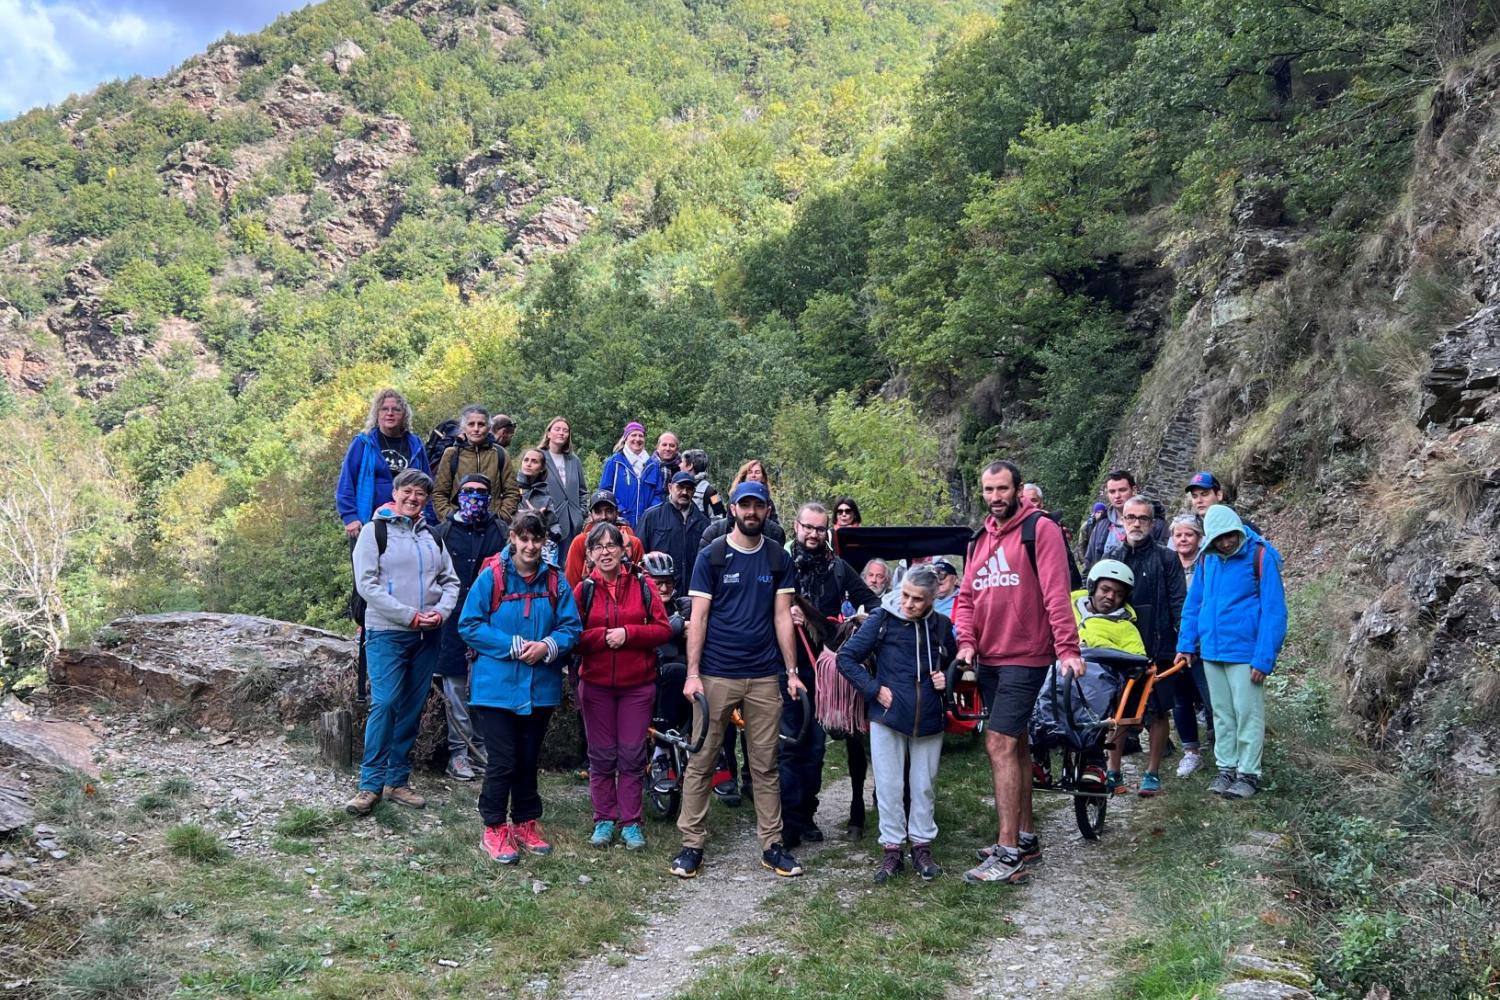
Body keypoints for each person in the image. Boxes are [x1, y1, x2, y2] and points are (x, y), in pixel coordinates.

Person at [955, 460, 1083, 886]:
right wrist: (966, 642)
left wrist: (1067, 648)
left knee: (999, 743)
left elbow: (1056, 592)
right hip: (988, 657)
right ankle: (1025, 837)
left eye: (1002, 489)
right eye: (988, 489)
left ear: (1018, 488)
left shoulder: (1039, 529)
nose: (995, 497)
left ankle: (1008, 852)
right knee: (1018, 744)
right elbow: (966, 598)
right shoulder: (978, 540)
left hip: (1025, 655)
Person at [671, 480, 806, 880]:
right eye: (744, 505)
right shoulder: (712, 556)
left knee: (765, 765)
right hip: (715, 674)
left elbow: (783, 616)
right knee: (702, 760)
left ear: (767, 511)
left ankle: (772, 845)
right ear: (732, 508)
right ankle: (691, 845)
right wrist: (692, 675)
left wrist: (793, 672)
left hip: (764, 676)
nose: (751, 512)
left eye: (758, 506)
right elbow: (699, 619)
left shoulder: (779, 558)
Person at [459, 512, 583, 863]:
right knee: (503, 760)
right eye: (524, 539)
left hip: (539, 688)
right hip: (495, 687)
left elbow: (571, 628)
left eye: (537, 539)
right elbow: (469, 625)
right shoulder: (492, 577)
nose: (530, 546)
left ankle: (526, 822)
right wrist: (511, 645)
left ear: (544, 542)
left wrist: (548, 646)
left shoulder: (555, 581)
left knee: (528, 759)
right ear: (512, 537)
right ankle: (494, 827)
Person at [346, 469, 460, 816]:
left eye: (420, 494)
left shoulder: (432, 537)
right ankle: (369, 785)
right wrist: (407, 615)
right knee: (386, 703)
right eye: (408, 492)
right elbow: (367, 584)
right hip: (386, 632)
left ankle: (397, 781)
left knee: (411, 707)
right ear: (396, 493)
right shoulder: (374, 532)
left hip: (428, 634)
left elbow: (450, 581)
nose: (414, 498)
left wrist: (440, 612)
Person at [835, 565, 955, 883]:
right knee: (888, 787)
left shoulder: (941, 625)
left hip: (928, 715)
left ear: (931, 599)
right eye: (905, 595)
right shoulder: (883, 619)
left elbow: (953, 661)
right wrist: (874, 689)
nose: (909, 604)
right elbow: (846, 658)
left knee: (923, 786)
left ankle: (921, 847)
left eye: (918, 599)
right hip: (887, 716)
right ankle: (891, 851)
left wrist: (947, 679)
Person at [783, 502, 879, 846]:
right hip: (787, 661)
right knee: (791, 740)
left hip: (828, 663)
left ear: (827, 532)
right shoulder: (782, 565)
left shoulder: (838, 569)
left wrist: (858, 625)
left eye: (819, 529)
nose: (812, 534)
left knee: (819, 745)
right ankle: (789, 819)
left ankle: (815, 814)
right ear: (796, 527)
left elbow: (873, 602)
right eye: (807, 527)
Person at [1175, 505, 1287, 800]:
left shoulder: (1260, 556)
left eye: (1230, 536)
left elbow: (1274, 612)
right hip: (1212, 651)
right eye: (1219, 538)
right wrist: (1186, 644)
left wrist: (1264, 658)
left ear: (1238, 530)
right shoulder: (1206, 560)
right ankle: (1226, 768)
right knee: (1221, 713)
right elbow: (1194, 603)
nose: (1226, 543)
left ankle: (1248, 774)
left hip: (1246, 653)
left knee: (1247, 714)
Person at [574, 522, 673, 850]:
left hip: (637, 686)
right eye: (598, 547)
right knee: (601, 756)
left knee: (631, 754)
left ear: (623, 550)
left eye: (611, 546)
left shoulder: (643, 586)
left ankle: (631, 822)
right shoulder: (584, 591)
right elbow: (570, 636)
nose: (605, 552)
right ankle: (604, 819)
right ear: (589, 554)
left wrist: (629, 634)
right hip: (596, 685)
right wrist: (601, 637)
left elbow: (662, 629)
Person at [429, 473, 508, 782]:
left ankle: (481, 748)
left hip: (489, 623)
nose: (474, 497)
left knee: (485, 689)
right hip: (451, 623)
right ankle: (458, 753)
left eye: (481, 492)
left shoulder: (501, 531)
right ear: (457, 495)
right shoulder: (442, 532)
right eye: (468, 491)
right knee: (456, 688)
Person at [1110, 495, 1187, 796]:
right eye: (1131, 517)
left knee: (1157, 712)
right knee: (1118, 710)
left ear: (1153, 523)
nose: (1137, 523)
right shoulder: (1114, 557)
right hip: (1121, 648)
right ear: (1123, 520)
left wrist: (1185, 640)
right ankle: (1113, 772)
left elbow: (1179, 601)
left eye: (1143, 518)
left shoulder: (1167, 558)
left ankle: (1152, 772)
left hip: (1160, 645)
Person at [337, 388, 434, 537]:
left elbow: (427, 484)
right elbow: (346, 481)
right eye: (384, 409)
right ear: (377, 414)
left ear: (404, 415)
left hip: (409, 523)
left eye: (396, 409)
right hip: (369, 523)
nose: (390, 413)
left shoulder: (415, 444)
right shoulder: (364, 443)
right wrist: (350, 516)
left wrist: (430, 519)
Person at [1169, 512, 1213, 778]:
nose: (1183, 539)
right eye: (1178, 535)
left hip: (1204, 644)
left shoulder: (1208, 563)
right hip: (1175, 645)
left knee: (1211, 699)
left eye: (1189, 534)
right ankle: (1191, 752)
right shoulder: (1168, 563)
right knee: (1180, 698)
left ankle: (1220, 745)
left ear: (1199, 537)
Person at [433, 404, 521, 523]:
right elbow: (439, 493)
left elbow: (512, 492)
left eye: (481, 424)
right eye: (471, 424)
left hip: (491, 526)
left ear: (489, 427)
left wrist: (501, 519)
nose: (476, 429)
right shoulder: (452, 454)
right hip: (459, 526)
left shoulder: (500, 453)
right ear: (464, 427)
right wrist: (451, 518)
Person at [638, 471, 710, 596]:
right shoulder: (652, 516)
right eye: (680, 487)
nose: (684, 492)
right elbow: (639, 554)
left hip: (692, 591)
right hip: (658, 592)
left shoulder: (703, 522)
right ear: (670, 487)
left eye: (689, 489)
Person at [1083, 469, 1164, 568]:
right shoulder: (1101, 525)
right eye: (1112, 491)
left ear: (1134, 490)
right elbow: (1089, 563)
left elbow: (1165, 563)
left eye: (1122, 490)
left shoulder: (1156, 524)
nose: (1117, 496)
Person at [564, 490, 645, 588]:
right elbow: (571, 584)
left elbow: (641, 583)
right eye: (598, 512)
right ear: (591, 515)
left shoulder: (633, 543)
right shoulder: (580, 542)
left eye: (609, 511)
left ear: (617, 513)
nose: (603, 517)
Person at [699, 459, 786, 547]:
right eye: (744, 505)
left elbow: (718, 511)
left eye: (759, 505)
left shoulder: (710, 492)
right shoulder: (714, 534)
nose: (753, 475)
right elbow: (723, 516)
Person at [599, 421, 663, 529]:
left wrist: (651, 513)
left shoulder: (653, 465)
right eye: (633, 435)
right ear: (625, 438)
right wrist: (619, 511)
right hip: (619, 523)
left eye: (641, 436)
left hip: (647, 524)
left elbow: (659, 493)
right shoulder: (614, 463)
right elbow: (604, 491)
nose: (637, 439)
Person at [539, 417, 589, 556]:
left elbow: (583, 491)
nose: (561, 433)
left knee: (569, 566)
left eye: (565, 430)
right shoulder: (539, 457)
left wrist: (581, 513)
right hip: (549, 523)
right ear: (548, 433)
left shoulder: (574, 460)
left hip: (574, 524)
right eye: (557, 429)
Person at [516, 447, 562, 567]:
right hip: (514, 545)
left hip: (538, 547)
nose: (529, 464)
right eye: (526, 460)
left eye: (534, 461)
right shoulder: (511, 488)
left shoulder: (546, 495)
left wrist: (540, 518)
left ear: (542, 468)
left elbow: (555, 529)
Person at [681, 449, 724, 519]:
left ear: (690, 466)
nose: (679, 465)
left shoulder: (712, 493)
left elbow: (719, 517)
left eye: (682, 462)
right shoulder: (678, 488)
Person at [648, 432, 681, 506]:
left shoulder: (682, 468)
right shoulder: (648, 466)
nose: (668, 448)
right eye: (664, 445)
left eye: (672, 446)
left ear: (677, 449)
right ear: (657, 447)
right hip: (653, 511)